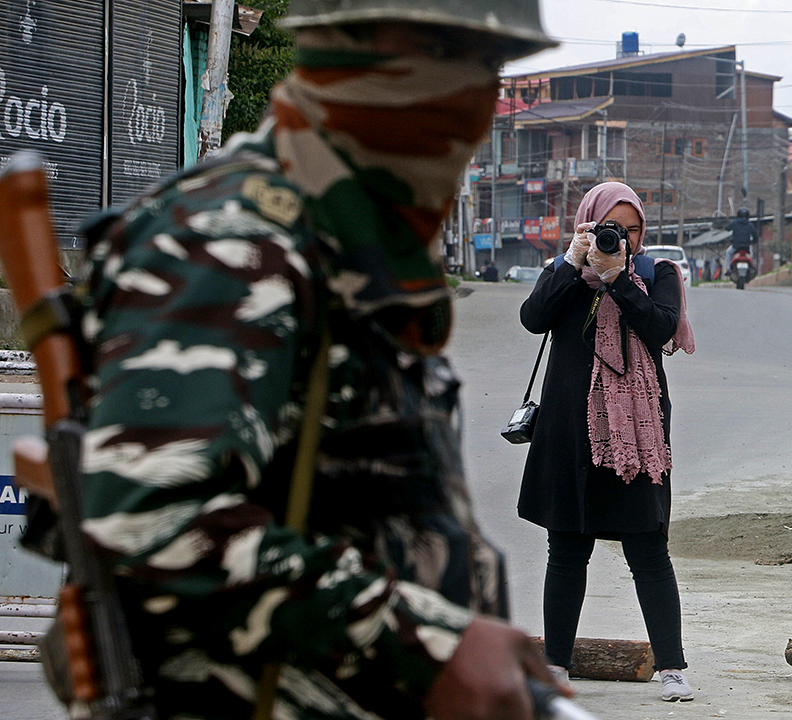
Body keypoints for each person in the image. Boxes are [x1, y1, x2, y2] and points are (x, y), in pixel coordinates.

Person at [67, 2, 566, 719]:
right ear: (342, 50)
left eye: (487, 65)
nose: (466, 97)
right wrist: (420, 644)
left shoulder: (352, 242)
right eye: (435, 52)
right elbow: (148, 527)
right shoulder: (232, 244)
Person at [518, 182, 696, 702]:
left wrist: (620, 281)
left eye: (632, 228)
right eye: (611, 227)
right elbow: (533, 320)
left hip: (635, 433)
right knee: (567, 546)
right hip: (571, 428)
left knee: (648, 544)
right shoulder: (564, 272)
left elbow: (660, 328)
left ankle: (672, 667)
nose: (623, 237)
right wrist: (574, 264)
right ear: (588, 224)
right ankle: (555, 665)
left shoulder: (656, 274)